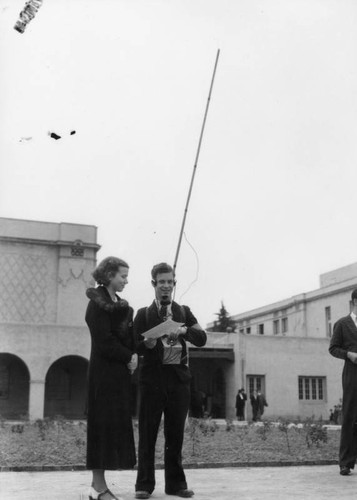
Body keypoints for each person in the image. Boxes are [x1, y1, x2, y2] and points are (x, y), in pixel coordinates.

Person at [134, 262, 207, 499]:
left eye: (170, 282)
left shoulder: (183, 311)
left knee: (175, 434)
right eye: (161, 282)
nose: (166, 286)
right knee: (148, 433)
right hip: (152, 380)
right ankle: (144, 485)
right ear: (154, 284)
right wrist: (146, 344)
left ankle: (176, 484)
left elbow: (202, 337)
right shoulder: (143, 314)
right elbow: (133, 345)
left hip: (178, 381)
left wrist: (184, 331)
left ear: (174, 284)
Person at [85, 257, 138, 500]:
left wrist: (139, 347)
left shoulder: (122, 305)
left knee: (113, 428)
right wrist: (129, 356)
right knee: (101, 428)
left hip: (118, 376)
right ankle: (97, 487)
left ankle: (100, 486)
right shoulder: (97, 303)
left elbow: (125, 338)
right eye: (122, 276)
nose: (126, 280)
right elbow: (104, 341)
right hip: (103, 376)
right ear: (108, 276)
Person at [329, 288, 357, 476]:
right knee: (350, 416)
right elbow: (333, 348)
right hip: (352, 373)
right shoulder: (342, 324)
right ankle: (345, 463)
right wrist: (348, 354)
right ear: (355, 301)